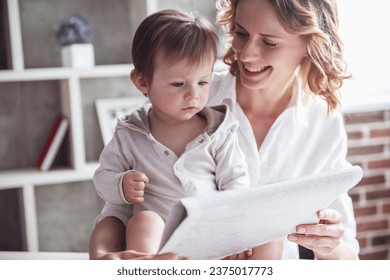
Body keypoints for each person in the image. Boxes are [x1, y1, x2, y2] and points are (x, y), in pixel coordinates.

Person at [89, 0, 359, 260]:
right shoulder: (189, 90)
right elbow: (127, 202)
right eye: (241, 33)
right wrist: (102, 256)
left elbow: (348, 254)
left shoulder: (322, 119)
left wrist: (328, 245)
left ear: (310, 44)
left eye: (269, 42)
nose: (247, 53)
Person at [92, 9, 275, 259]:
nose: (193, 95)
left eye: (203, 82)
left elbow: (235, 182)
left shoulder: (219, 131)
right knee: (144, 221)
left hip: (208, 230)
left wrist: (234, 228)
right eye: (178, 84)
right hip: (158, 239)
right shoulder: (129, 133)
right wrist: (120, 184)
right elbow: (103, 176)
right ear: (143, 82)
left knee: (270, 236)